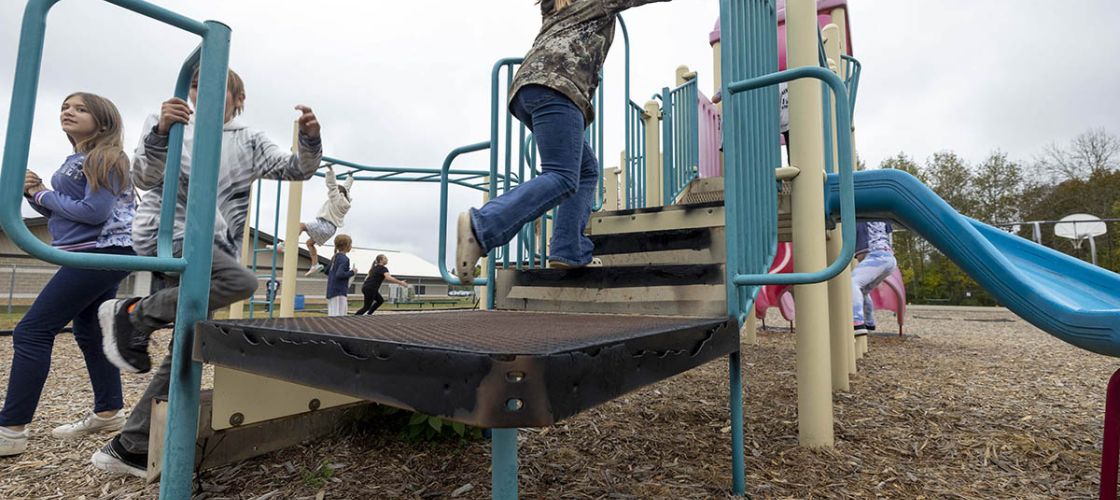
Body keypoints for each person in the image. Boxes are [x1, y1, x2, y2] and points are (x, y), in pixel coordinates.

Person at [91, 67, 323, 477]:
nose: (205, 93)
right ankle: (134, 313)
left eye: (219, 88)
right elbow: (143, 175)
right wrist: (162, 131)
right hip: (169, 234)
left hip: (214, 246)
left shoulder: (248, 139)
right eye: (197, 85)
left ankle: (130, 446)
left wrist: (310, 139)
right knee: (241, 282)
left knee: (187, 346)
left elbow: (297, 170)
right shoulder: (170, 121)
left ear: (238, 100)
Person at [454, 0, 671, 284]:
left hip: (528, 88)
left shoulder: (553, 8)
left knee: (586, 170)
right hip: (558, 87)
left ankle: (569, 249)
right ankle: (482, 225)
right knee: (562, 176)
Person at [0, 93, 137, 457]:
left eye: (80, 108)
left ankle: (11, 428)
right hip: (95, 253)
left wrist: (41, 193)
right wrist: (35, 193)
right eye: (64, 106)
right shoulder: (79, 159)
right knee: (89, 330)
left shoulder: (105, 155)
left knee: (32, 330)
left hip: (101, 252)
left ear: (104, 121)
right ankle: (109, 411)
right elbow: (70, 212)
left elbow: (94, 211)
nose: (68, 111)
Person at [300, 166, 353, 275]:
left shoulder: (336, 199)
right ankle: (315, 265)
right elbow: (346, 188)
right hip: (331, 229)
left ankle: (287, 244)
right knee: (309, 243)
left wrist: (330, 170)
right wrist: (350, 177)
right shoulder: (345, 202)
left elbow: (332, 185)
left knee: (300, 225)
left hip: (325, 224)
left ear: (338, 193)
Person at [852, 221, 897, 335]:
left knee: (852, 283)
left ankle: (857, 322)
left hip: (877, 256)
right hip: (889, 259)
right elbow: (889, 234)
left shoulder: (859, 217)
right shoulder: (882, 218)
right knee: (863, 290)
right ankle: (869, 322)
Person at [325, 234, 356, 316]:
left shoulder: (334, 257)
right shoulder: (344, 259)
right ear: (347, 246)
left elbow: (327, 271)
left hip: (331, 291)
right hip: (339, 291)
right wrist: (352, 272)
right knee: (340, 316)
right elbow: (339, 274)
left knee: (332, 315)